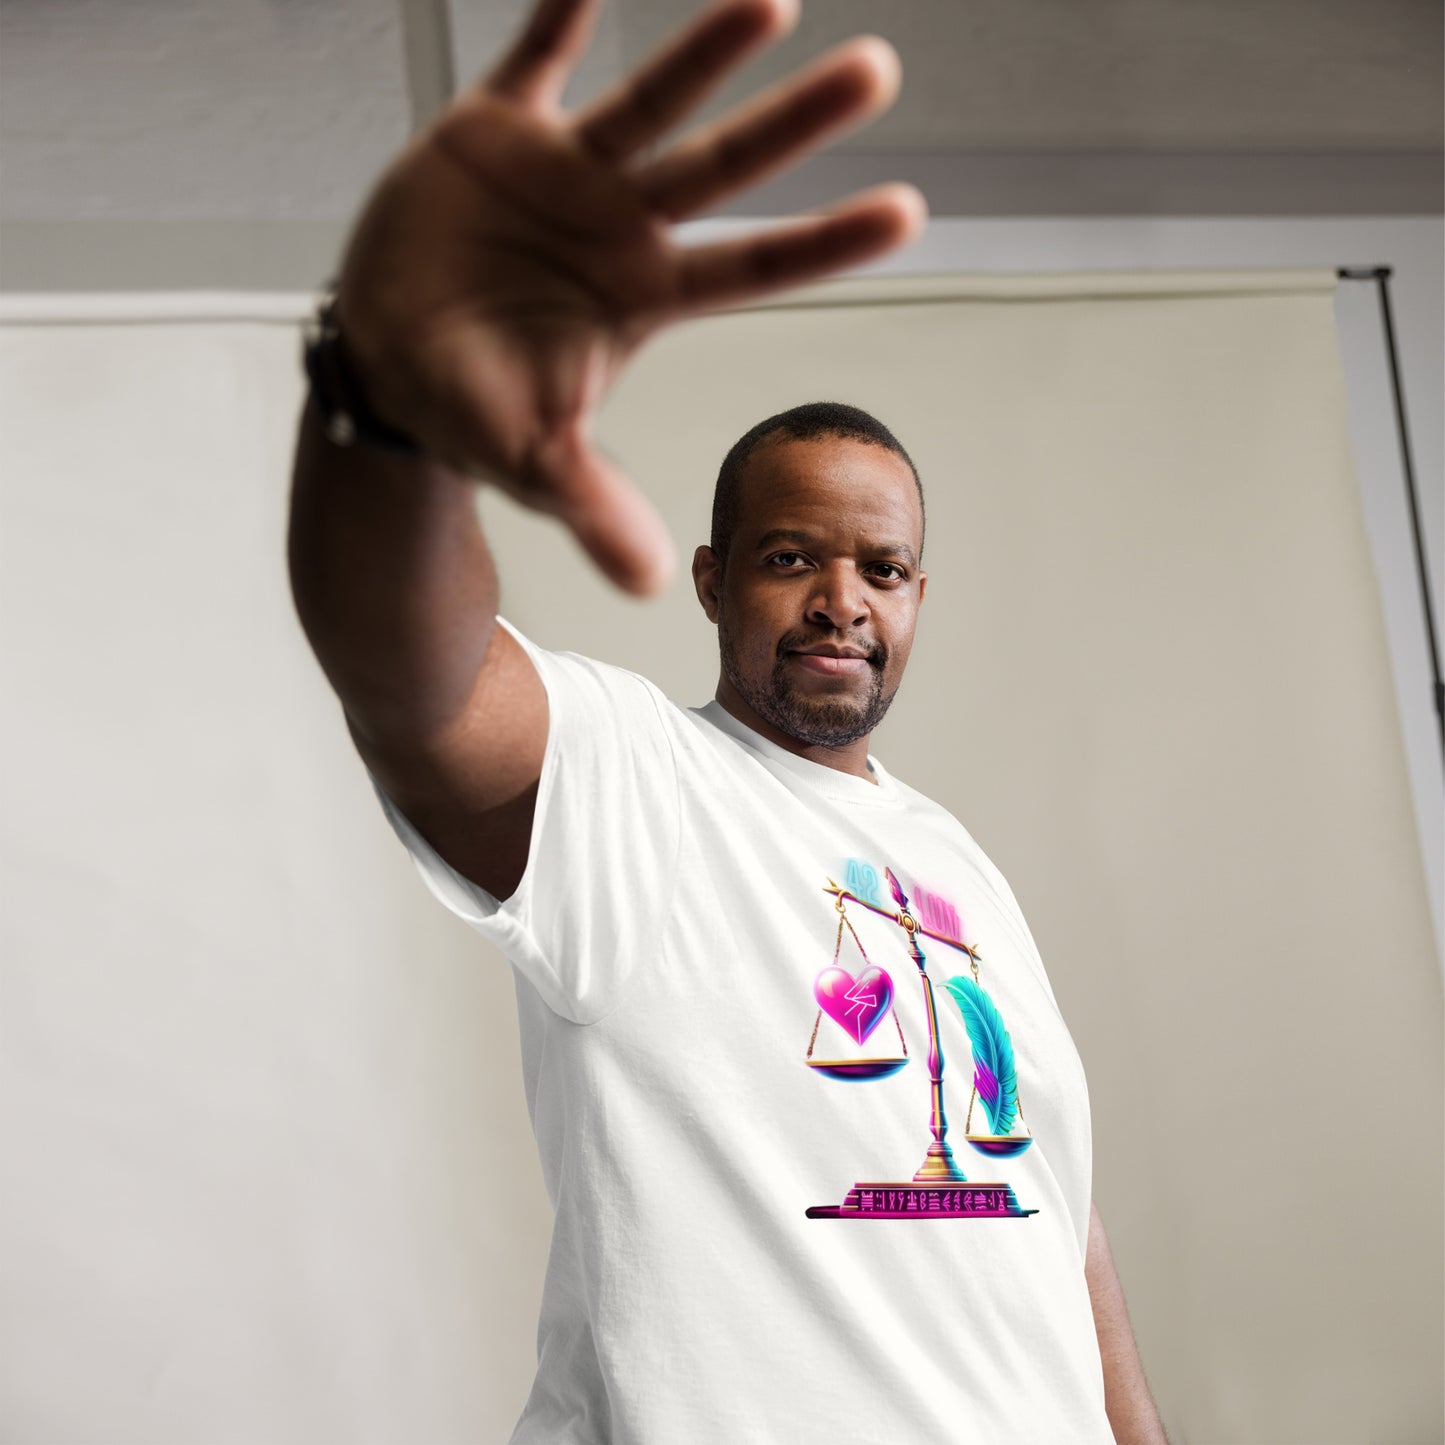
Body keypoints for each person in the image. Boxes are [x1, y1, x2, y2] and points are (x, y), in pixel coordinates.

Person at [287, 0, 1168, 1440]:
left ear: (918, 595)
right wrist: (390, 406)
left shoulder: (954, 861)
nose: (840, 599)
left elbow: (1056, 1217)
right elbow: (416, 683)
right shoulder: (636, 782)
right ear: (712, 579)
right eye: (788, 557)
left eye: (879, 569)